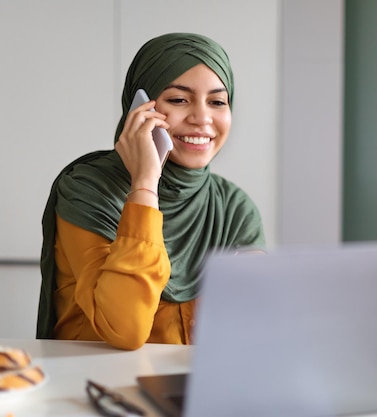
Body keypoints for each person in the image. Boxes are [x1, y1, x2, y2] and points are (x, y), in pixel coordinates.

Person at [36, 33, 266, 350]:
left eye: (217, 102)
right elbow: (124, 330)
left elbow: (256, 326)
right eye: (178, 100)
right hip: (94, 389)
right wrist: (144, 184)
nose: (202, 118)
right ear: (140, 108)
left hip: (189, 392)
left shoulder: (234, 208)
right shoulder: (88, 189)